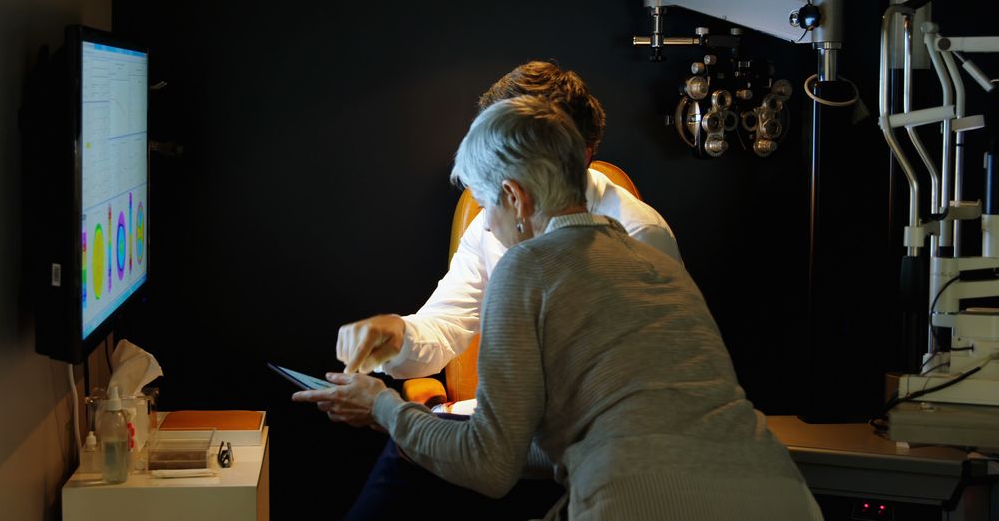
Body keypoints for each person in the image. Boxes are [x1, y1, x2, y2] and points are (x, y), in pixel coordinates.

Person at [295, 96, 821, 519]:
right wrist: (408, 403)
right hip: (782, 494)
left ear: (515, 198)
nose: (487, 224)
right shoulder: (656, 267)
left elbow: (489, 466)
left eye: (487, 204)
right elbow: (609, 426)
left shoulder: (527, 267)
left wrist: (385, 409)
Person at [324, 61, 681, 519]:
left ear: (578, 151)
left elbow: (622, 415)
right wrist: (397, 334)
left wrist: (392, 415)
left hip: (601, 453)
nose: (487, 211)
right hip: (530, 444)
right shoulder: (495, 225)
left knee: (413, 456)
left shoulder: (639, 238)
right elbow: (446, 324)